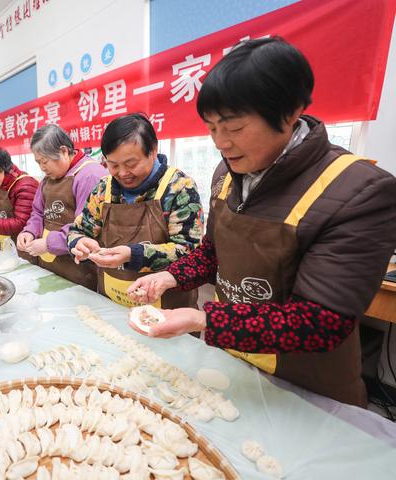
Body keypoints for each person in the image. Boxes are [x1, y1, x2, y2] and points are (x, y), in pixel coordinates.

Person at [127, 38, 396, 407]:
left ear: (290, 112)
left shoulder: (358, 190)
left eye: (234, 129)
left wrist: (203, 319)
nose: (221, 142)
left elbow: (318, 321)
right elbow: (213, 252)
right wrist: (170, 276)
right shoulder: (227, 173)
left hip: (304, 384)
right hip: (232, 363)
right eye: (211, 128)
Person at [68, 113, 203, 308]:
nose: (122, 173)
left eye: (131, 164)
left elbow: (191, 252)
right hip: (112, 300)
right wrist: (78, 242)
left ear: (153, 150)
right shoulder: (103, 188)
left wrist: (134, 254)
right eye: (113, 165)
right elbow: (77, 230)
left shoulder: (179, 187)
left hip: (165, 306)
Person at [17, 125, 107, 290]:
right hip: (50, 262)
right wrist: (29, 231)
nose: (42, 168)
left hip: (78, 268)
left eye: (45, 161)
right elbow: (37, 212)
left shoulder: (90, 175)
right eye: (38, 162)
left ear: (64, 151)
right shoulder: (47, 178)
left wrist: (49, 244)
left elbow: (86, 225)